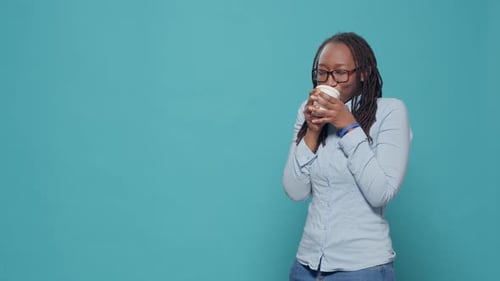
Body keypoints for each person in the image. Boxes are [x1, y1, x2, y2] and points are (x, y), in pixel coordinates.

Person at [282, 32, 411, 281]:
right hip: (306, 267)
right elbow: (294, 191)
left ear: (363, 72)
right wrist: (312, 130)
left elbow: (381, 192)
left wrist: (348, 126)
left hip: (361, 269)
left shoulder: (390, 112)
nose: (330, 82)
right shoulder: (307, 112)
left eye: (340, 73)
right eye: (322, 73)